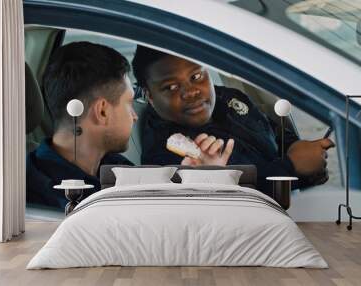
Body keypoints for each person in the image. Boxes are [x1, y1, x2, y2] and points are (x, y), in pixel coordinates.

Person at [27, 42, 229, 209]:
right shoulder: (44, 199)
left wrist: (196, 183)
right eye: (129, 103)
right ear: (103, 111)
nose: (134, 116)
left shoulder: (115, 166)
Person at [131, 45, 335, 197]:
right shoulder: (166, 155)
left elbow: (272, 131)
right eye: (172, 88)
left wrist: (303, 152)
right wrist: (292, 168)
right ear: (149, 95)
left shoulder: (229, 98)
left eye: (196, 76)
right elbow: (228, 200)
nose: (191, 92)